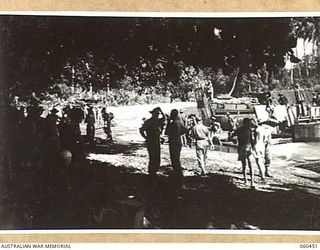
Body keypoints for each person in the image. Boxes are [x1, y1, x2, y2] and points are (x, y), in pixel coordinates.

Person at [139, 107, 166, 182]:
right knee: (153, 157)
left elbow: (164, 118)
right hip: (151, 141)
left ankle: (153, 172)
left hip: (155, 141)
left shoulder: (156, 121)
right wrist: (146, 137)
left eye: (158, 114)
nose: (157, 115)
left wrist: (161, 111)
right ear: (153, 114)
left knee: (156, 157)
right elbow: (141, 130)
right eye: (156, 114)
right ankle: (152, 172)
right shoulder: (150, 122)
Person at [230, 117, 255, 187]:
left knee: (244, 165)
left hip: (241, 148)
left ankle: (246, 181)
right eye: (249, 123)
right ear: (247, 123)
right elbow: (252, 141)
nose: (250, 124)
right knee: (250, 165)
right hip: (248, 148)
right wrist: (254, 149)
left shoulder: (239, 130)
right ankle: (252, 182)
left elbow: (231, 136)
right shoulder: (250, 130)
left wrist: (234, 141)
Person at [165, 109, 187, 188]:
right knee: (176, 161)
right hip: (178, 142)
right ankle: (179, 180)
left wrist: (168, 122)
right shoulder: (179, 123)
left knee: (175, 162)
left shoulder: (172, 123)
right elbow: (185, 130)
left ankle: (180, 181)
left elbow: (166, 132)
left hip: (173, 143)